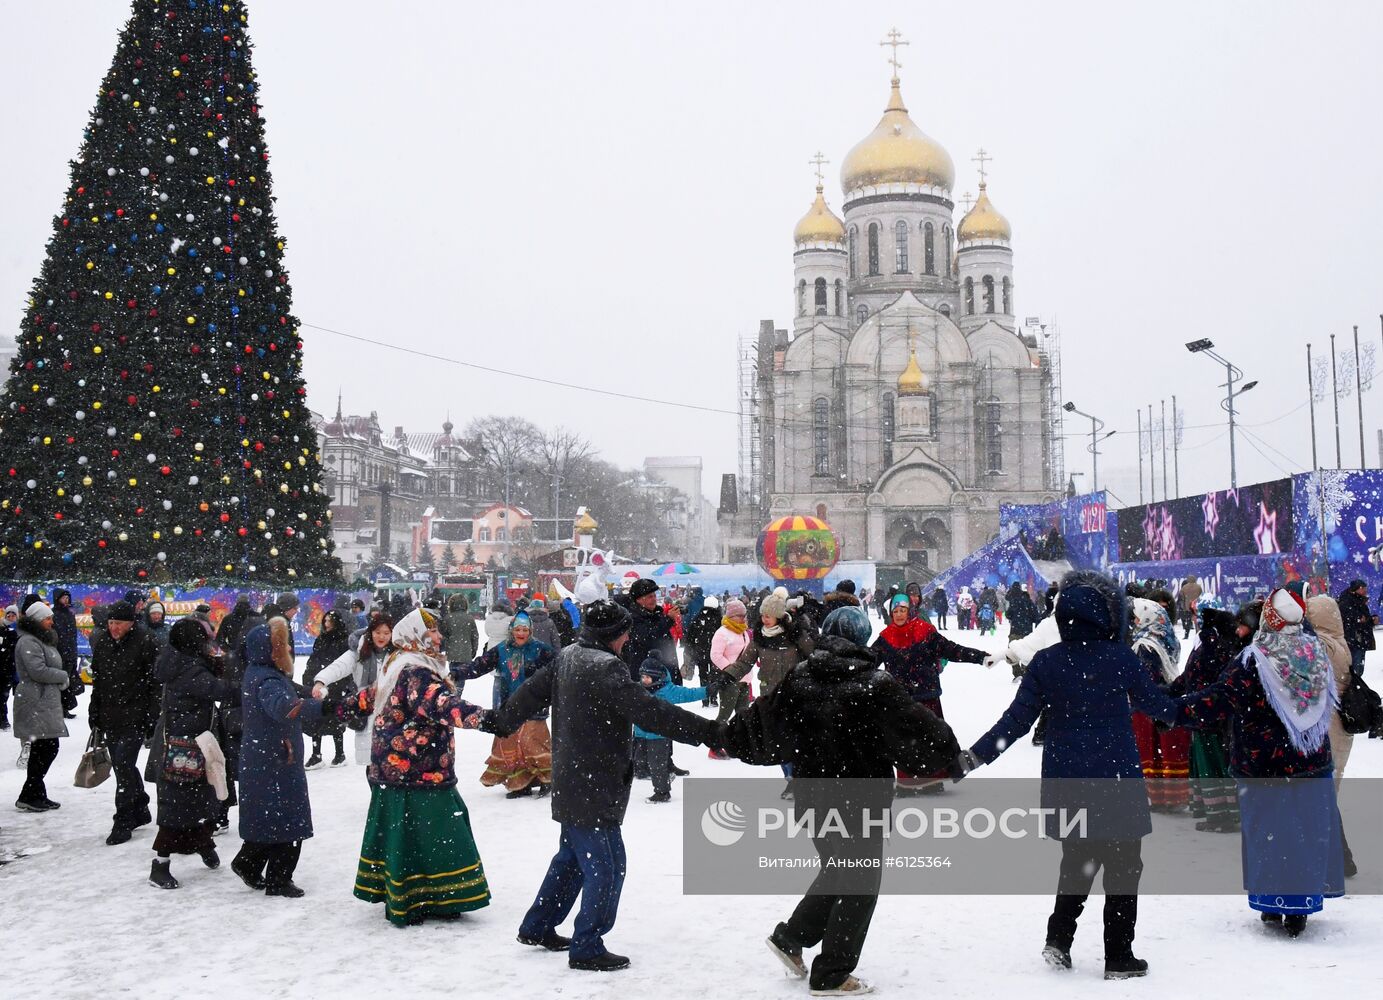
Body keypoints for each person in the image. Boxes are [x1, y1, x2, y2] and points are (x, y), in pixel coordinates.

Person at [954, 571, 1180, 980]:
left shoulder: (1046, 661)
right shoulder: (1121, 657)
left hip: (1067, 776)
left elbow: (1016, 722)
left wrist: (974, 756)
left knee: (1077, 858)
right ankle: (1119, 955)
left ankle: (1059, 939)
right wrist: (1203, 705)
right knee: (1125, 863)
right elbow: (1160, 706)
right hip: (1116, 775)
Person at [723, 606, 959, 997]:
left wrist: (725, 736)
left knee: (838, 870)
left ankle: (791, 936)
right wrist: (942, 753)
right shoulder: (874, 685)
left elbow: (760, 728)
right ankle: (831, 972)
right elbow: (927, 738)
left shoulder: (801, 678)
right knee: (860, 881)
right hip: (859, 800)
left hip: (811, 796)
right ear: (863, 638)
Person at [486, 600, 724, 971]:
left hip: (574, 776)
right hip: (593, 781)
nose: (628, 637)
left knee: (572, 859)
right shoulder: (605, 667)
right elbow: (650, 710)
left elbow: (532, 691)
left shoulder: (569, 656)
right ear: (614, 636)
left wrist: (503, 720)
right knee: (608, 865)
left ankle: (538, 925)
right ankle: (587, 946)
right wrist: (708, 732)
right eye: (624, 632)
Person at [1175, 588, 1344, 937]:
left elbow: (1219, 700)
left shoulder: (1256, 658)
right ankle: (1301, 905)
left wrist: (1174, 711)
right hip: (1311, 761)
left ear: (1270, 617)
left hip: (1263, 763)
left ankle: (1273, 903)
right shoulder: (1314, 653)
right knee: (1304, 833)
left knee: (1270, 834)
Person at [349, 608, 493, 927]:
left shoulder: (399, 662)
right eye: (433, 633)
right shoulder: (416, 670)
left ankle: (412, 894)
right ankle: (437, 897)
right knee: (440, 832)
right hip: (417, 768)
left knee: (409, 836)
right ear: (416, 636)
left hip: (400, 768)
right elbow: (441, 704)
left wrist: (344, 704)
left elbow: (375, 695)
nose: (439, 638)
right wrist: (488, 719)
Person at [232, 617, 325, 897]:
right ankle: (279, 879)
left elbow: (290, 691)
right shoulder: (268, 679)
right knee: (288, 820)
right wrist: (322, 707)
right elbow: (285, 708)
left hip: (266, 755)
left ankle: (248, 863)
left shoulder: (260, 672)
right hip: (277, 757)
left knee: (268, 817)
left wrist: (309, 692)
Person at [148, 618, 235, 889]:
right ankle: (160, 866)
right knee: (177, 806)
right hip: (184, 748)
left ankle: (202, 842)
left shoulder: (182, 661)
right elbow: (219, 689)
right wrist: (246, 684)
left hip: (193, 743)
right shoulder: (189, 669)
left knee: (201, 799)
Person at [872, 593, 987, 795]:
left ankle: (933, 780)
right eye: (895, 611)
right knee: (903, 742)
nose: (899, 615)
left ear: (910, 611)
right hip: (900, 700)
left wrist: (980, 657)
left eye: (903, 610)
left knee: (931, 738)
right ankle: (908, 783)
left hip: (927, 697)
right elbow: (868, 662)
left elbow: (952, 650)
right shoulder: (885, 638)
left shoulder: (925, 632)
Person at [718, 590, 815, 795]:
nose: (764, 620)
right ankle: (790, 778)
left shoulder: (795, 634)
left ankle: (799, 779)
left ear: (779, 616)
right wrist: (728, 675)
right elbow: (745, 662)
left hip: (796, 695)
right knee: (780, 741)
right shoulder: (759, 638)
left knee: (796, 740)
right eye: (762, 615)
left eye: (768, 616)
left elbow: (813, 657)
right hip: (770, 696)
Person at [456, 610, 556, 798]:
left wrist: (543, 676)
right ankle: (520, 783)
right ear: (511, 631)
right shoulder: (503, 649)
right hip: (510, 703)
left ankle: (546, 780)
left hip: (534, 705)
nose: (521, 633)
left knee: (533, 744)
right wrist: (457, 673)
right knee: (510, 745)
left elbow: (558, 667)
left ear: (530, 631)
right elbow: (480, 665)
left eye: (525, 629)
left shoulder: (541, 649)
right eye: (517, 629)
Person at [1168, 606, 1247, 833]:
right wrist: (1172, 692)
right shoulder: (1220, 645)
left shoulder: (1210, 646)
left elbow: (1199, 679)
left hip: (1208, 717)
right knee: (1213, 764)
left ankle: (1221, 816)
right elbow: (1189, 677)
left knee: (1212, 766)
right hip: (1209, 715)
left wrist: (1184, 700)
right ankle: (1220, 813)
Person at [88, 601, 160, 844]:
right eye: (110, 623)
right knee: (122, 765)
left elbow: (155, 683)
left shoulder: (146, 641)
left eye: (118, 623)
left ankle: (123, 819)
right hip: (110, 714)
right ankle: (139, 805)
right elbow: (98, 680)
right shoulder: (104, 643)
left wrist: (152, 714)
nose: (113, 628)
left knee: (123, 763)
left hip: (135, 714)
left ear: (131, 622)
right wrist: (94, 709)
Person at [1304, 593, 1358, 877]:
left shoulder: (1325, 645)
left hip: (1329, 728)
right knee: (1325, 798)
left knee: (1322, 798)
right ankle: (1339, 859)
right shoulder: (1340, 641)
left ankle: (1337, 861)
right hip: (1338, 728)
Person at [1128, 598, 1190, 812]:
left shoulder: (1145, 644)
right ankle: (1170, 797)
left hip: (1147, 707)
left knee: (1151, 752)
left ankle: (1160, 799)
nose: (1135, 621)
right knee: (1165, 751)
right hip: (1165, 701)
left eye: (1137, 616)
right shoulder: (1165, 636)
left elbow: (1146, 678)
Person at [311, 612, 395, 765]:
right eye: (377, 632)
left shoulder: (398, 653)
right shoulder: (359, 651)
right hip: (366, 708)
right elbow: (339, 667)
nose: (381, 637)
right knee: (372, 764)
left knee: (393, 762)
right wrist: (321, 681)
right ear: (370, 632)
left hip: (393, 711)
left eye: (386, 633)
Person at [12, 601, 70, 812]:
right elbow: (37, 671)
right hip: (35, 700)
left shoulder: (40, 640)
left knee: (44, 747)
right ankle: (31, 793)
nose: (51, 622)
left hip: (44, 699)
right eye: (47, 618)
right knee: (46, 747)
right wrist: (63, 676)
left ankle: (34, 793)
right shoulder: (28, 641)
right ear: (37, 619)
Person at [634, 656, 708, 802]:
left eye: (647, 677)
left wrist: (707, 691)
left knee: (657, 765)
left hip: (659, 736)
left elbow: (689, 693)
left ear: (656, 677)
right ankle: (661, 773)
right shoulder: (638, 690)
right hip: (640, 734)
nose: (644, 680)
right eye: (642, 677)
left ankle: (662, 792)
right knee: (640, 761)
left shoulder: (668, 691)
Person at [302, 609, 350, 768]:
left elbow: (345, 664)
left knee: (335, 718)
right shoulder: (321, 639)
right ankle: (316, 754)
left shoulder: (343, 640)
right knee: (317, 717)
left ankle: (340, 753)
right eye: (325, 620)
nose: (327, 624)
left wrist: (343, 684)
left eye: (330, 620)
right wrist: (309, 677)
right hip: (319, 683)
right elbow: (314, 659)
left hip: (336, 684)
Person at [710, 598, 754, 737]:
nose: (743, 618)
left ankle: (739, 742)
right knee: (725, 715)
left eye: (743, 615)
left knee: (743, 716)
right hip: (730, 680)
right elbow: (715, 655)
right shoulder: (722, 633)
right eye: (739, 615)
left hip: (745, 680)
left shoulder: (744, 632)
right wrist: (731, 671)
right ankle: (715, 742)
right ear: (731, 616)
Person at [622, 579, 679, 684]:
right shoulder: (633, 618)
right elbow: (648, 638)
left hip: (663, 675)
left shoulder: (657, 614)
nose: (654, 599)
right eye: (649, 597)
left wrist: (675, 676)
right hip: (647, 678)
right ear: (638, 600)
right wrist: (668, 620)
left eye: (654, 596)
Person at [682, 594, 723, 707]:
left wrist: (691, 649)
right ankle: (714, 698)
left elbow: (690, 635)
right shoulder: (718, 618)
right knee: (715, 675)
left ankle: (704, 698)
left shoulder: (698, 617)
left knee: (703, 675)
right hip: (715, 652)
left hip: (700, 652)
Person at [51, 589, 81, 718]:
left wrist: (73, 653)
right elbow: (57, 636)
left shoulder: (69, 613)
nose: (66, 600)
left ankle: (65, 707)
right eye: (64, 598)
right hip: (59, 652)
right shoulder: (54, 614)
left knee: (67, 681)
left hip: (70, 652)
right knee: (59, 682)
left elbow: (72, 635)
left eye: (67, 598)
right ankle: (59, 708)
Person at [1337, 579, 1374, 675]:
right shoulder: (1346, 601)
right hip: (1354, 638)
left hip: (1359, 638)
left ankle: (1355, 685)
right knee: (1355, 668)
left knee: (1358, 667)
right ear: (1358, 589)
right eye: (1363, 589)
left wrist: (1371, 619)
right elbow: (1348, 617)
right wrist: (1360, 618)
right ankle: (1354, 687)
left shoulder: (1358, 599)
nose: (1365, 591)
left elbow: (1364, 616)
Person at [441, 593, 479, 668]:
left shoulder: (447, 618)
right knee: (462, 675)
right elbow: (475, 637)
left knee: (453, 676)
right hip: (466, 653)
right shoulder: (469, 618)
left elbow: (444, 635)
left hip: (452, 652)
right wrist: (474, 650)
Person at [0, 604, 18, 730]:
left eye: (13, 615)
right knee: (2, 696)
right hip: (4, 667)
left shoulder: (19, 630)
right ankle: (3, 719)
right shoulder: (3, 629)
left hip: (14, 668)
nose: (11, 618)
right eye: (9, 615)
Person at [1177, 575, 1203, 640]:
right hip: (1192, 606)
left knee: (1188, 621)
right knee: (1194, 620)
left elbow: (1181, 597)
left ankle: (1187, 634)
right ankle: (1196, 633)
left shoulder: (1185, 588)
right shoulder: (1197, 587)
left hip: (1188, 607)